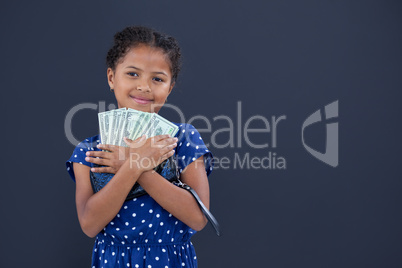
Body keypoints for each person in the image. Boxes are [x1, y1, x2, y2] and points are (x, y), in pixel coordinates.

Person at [65, 25, 214, 268]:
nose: (144, 86)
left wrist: (136, 165)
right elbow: (90, 225)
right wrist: (134, 166)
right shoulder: (89, 151)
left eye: (157, 79)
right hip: (114, 260)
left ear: (170, 88)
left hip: (171, 259)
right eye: (133, 74)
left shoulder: (182, 139)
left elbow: (198, 218)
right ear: (112, 78)